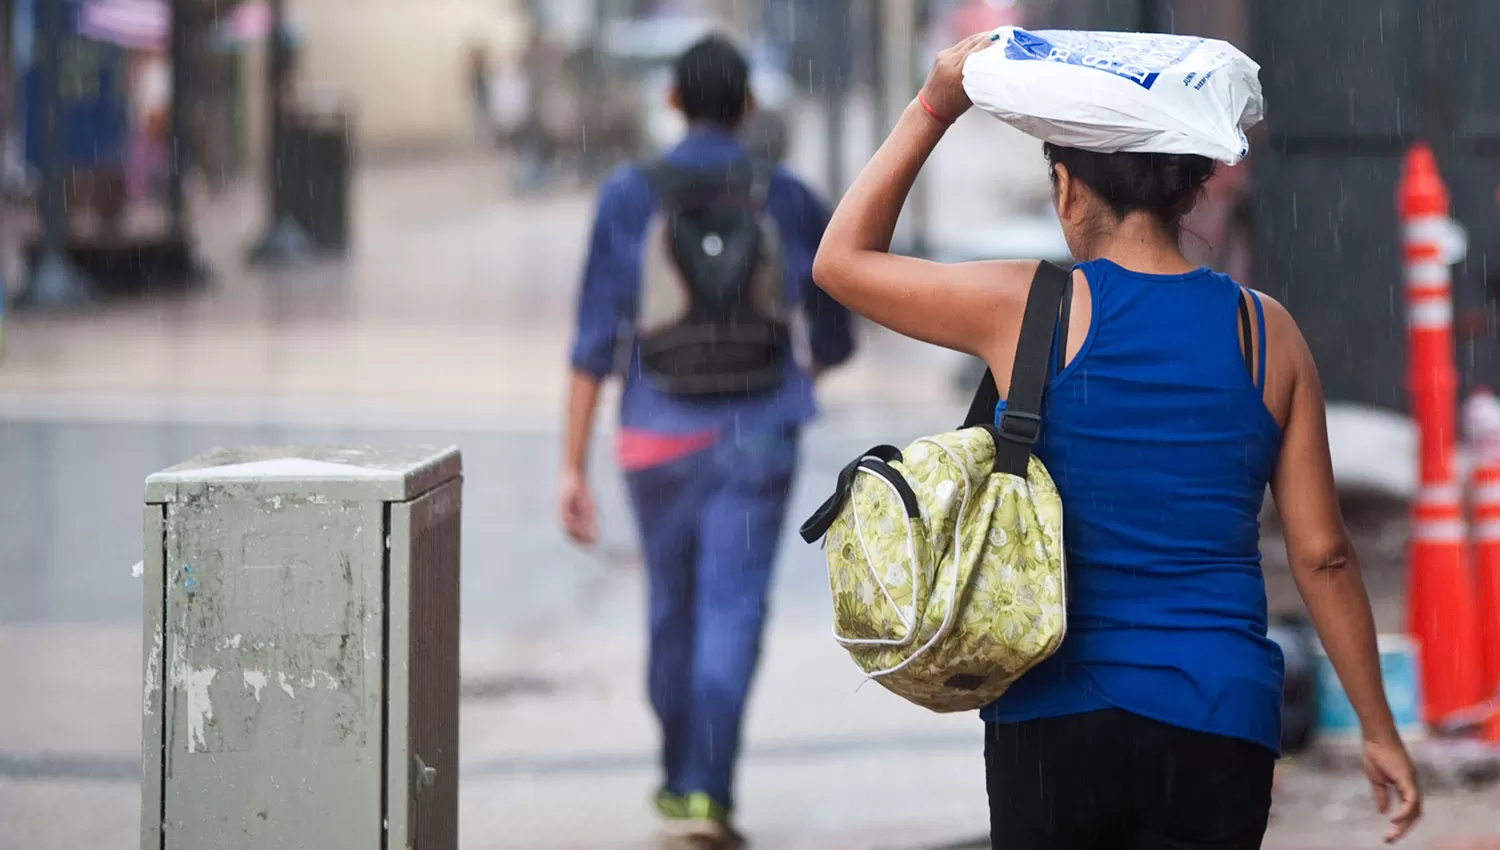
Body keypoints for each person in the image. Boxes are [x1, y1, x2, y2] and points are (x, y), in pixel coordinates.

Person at [811, 33, 1422, 850]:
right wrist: (1379, 731)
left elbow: (841, 261)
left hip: (1054, 720)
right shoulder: (1264, 332)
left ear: (1067, 191)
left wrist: (935, 106)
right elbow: (1324, 557)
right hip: (1219, 719)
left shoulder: (1027, 307)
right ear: (1189, 193)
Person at [558, 35, 855, 847]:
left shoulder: (627, 194)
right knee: (731, 611)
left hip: (655, 437)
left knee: (671, 611)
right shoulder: (785, 193)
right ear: (749, 106)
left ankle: (676, 772)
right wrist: (798, 379)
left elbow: (593, 341)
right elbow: (834, 327)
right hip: (759, 435)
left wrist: (569, 467)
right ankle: (707, 791)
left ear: (672, 101)